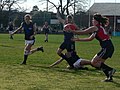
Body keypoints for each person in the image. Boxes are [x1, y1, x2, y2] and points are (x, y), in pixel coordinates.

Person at [70, 13, 116, 82]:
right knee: (99, 64)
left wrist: (72, 31)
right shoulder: (97, 28)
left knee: (94, 62)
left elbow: (84, 32)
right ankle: (109, 77)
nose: (92, 20)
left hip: (107, 47)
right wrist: (78, 39)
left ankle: (110, 70)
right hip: (108, 46)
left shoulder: (95, 27)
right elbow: (90, 39)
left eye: (93, 19)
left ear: (96, 21)